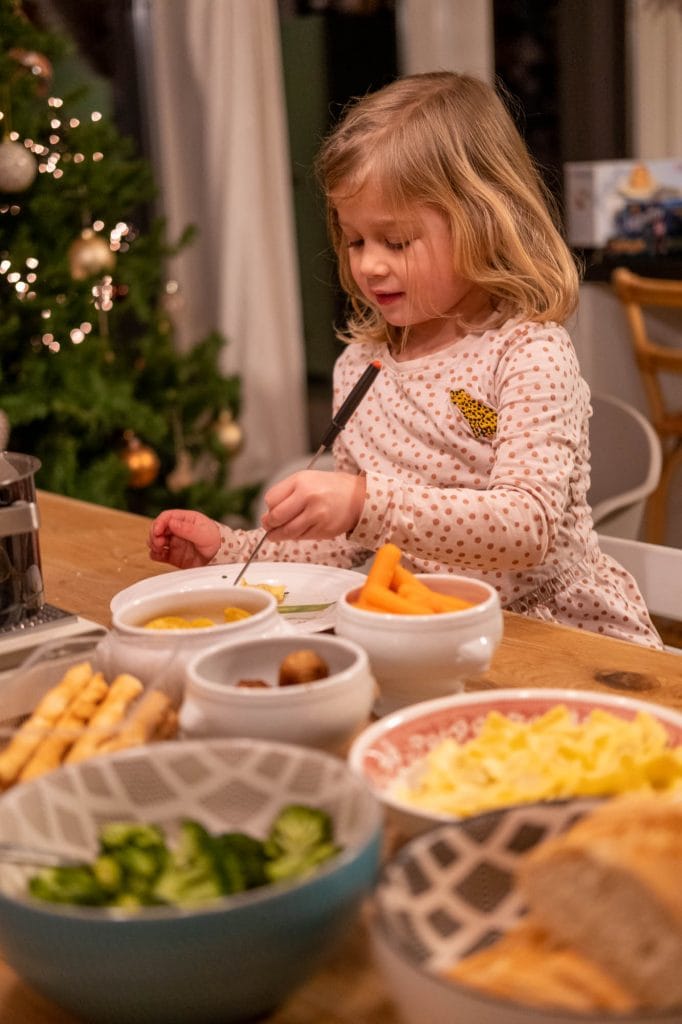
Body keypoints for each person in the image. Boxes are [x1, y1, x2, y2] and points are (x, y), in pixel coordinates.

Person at [149, 71, 662, 649]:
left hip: (543, 634)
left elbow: (527, 525)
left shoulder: (526, 354)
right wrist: (233, 550)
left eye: (395, 242)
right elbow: (351, 542)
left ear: (483, 222)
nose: (369, 266)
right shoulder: (360, 367)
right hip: (422, 630)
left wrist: (365, 502)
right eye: (355, 240)